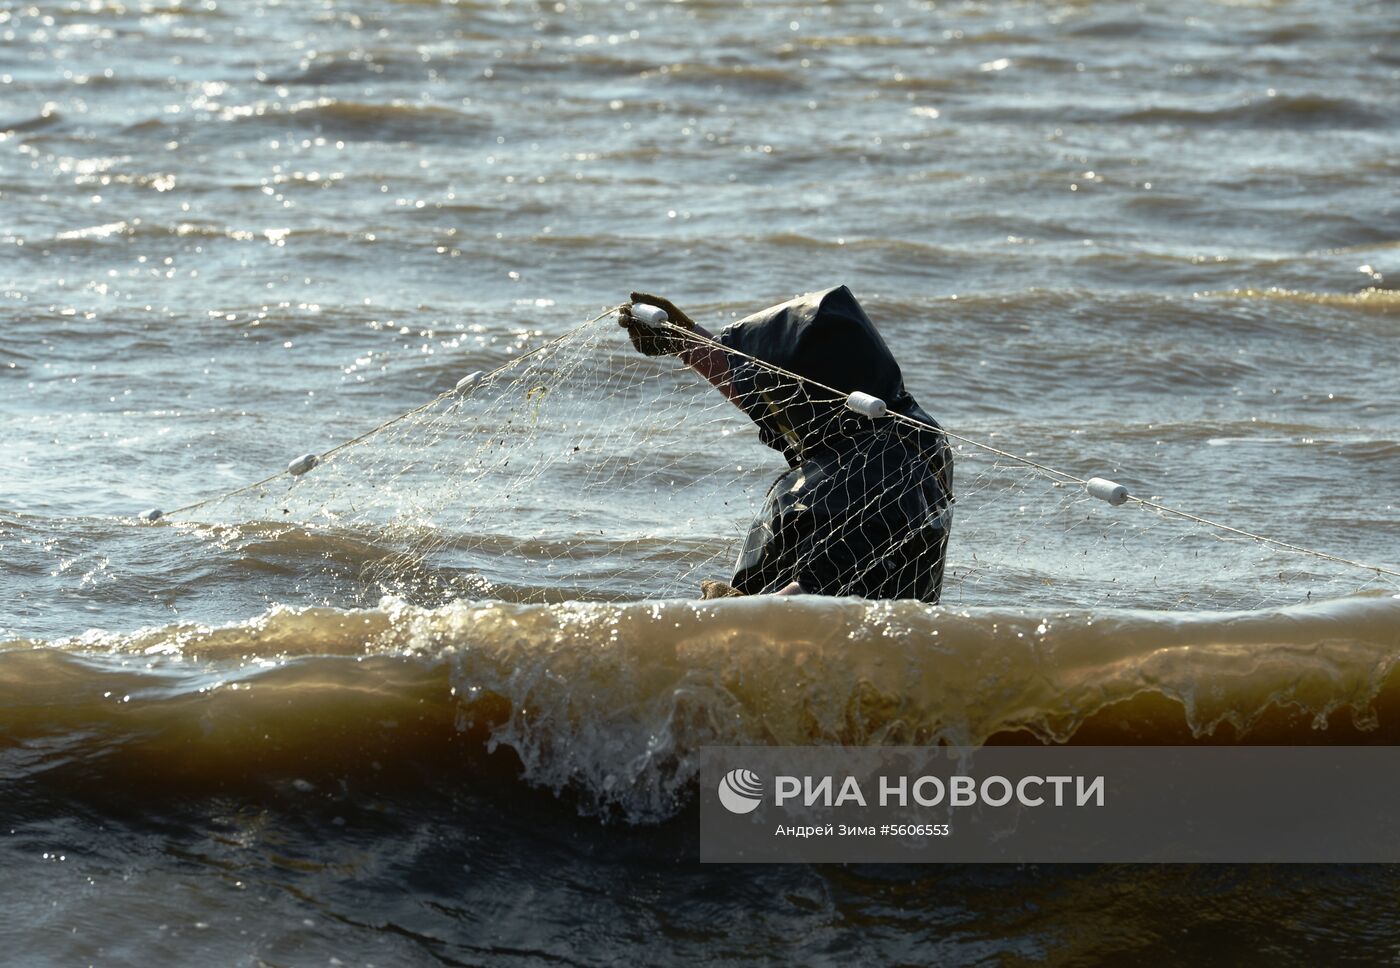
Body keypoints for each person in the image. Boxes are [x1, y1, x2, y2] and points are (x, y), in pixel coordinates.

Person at [619, 285, 954, 604]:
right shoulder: (895, 424)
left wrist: (722, 613)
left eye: (775, 396)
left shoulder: (861, 479)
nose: (767, 405)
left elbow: (813, 600)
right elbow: (778, 390)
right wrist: (686, 341)